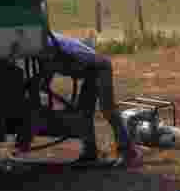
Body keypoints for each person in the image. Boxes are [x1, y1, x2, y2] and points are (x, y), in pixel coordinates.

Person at [23, 31, 143, 168]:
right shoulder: (43, 43)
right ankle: (90, 152)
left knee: (108, 109)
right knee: (84, 112)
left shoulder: (47, 45)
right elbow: (44, 79)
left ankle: (128, 152)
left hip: (100, 67)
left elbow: (45, 76)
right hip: (90, 72)